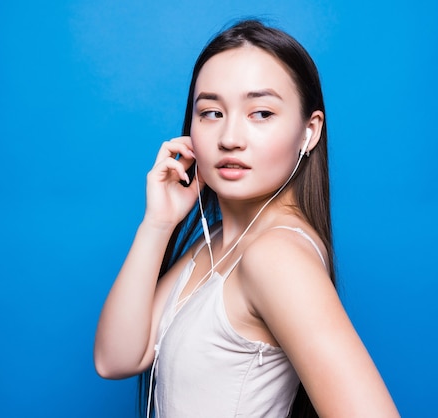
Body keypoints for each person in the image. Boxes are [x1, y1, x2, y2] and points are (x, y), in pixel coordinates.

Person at [94, 19, 399, 418]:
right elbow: (115, 359)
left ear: (309, 132)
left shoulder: (276, 256)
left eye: (260, 112)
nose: (230, 137)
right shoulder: (217, 240)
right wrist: (158, 223)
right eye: (211, 112)